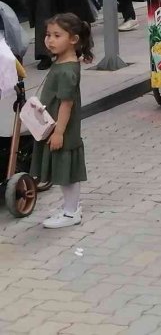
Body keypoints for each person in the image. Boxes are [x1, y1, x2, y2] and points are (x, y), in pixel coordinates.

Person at [30, 13, 94, 229]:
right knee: (63, 168)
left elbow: (67, 104)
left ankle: (71, 212)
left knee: (67, 169)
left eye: (57, 35)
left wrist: (59, 132)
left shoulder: (67, 70)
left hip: (62, 127)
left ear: (73, 39)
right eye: (48, 35)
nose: (50, 40)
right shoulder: (63, 63)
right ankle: (70, 206)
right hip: (57, 124)